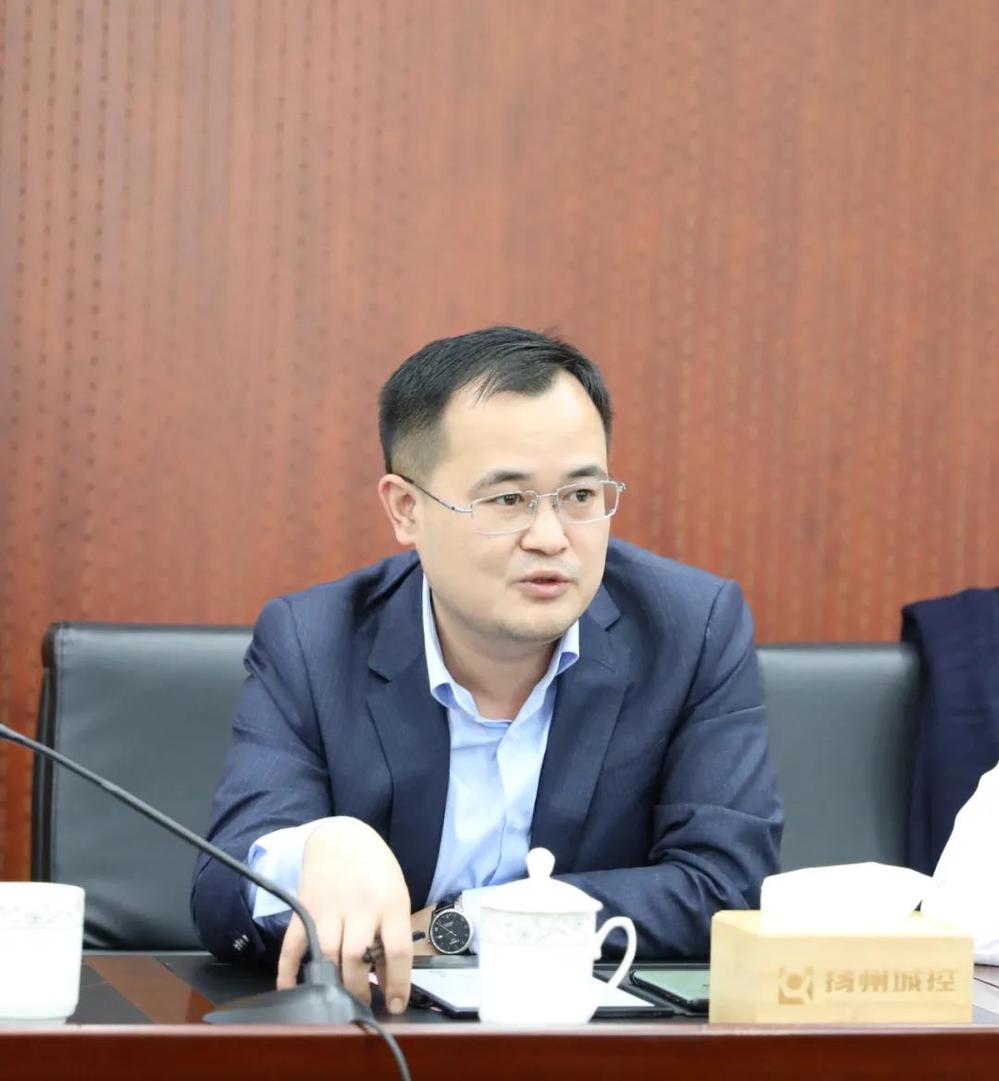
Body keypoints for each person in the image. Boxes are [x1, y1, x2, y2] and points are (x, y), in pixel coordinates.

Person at [191, 326, 782, 1015]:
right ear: (406, 509)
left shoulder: (690, 627)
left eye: (580, 495)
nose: (551, 537)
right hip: (379, 1037)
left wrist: (467, 921)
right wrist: (318, 850)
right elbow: (220, 897)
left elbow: (726, 885)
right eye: (508, 500)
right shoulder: (314, 641)